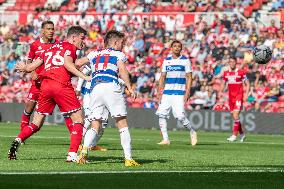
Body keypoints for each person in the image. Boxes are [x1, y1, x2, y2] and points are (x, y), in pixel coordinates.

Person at [8, 26, 90, 162]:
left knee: (36, 123)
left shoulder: (50, 47)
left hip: (45, 86)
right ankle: (72, 155)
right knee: (79, 119)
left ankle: (18, 139)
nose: (84, 41)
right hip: (61, 85)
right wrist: (85, 77)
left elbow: (30, 68)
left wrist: (24, 67)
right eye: (82, 38)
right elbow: (68, 65)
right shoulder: (70, 46)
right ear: (73, 37)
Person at [75, 30, 140, 167]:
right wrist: (129, 87)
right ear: (115, 42)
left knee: (95, 124)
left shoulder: (94, 53)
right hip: (110, 86)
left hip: (95, 89)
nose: (123, 46)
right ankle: (128, 159)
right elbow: (122, 70)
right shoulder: (118, 54)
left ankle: (83, 153)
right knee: (121, 123)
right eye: (122, 43)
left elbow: (77, 63)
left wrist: (81, 76)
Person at [20, 21, 73, 135]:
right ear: (42, 30)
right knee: (29, 107)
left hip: (52, 81)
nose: (51, 31)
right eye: (48, 29)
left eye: (52, 29)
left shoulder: (58, 45)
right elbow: (29, 60)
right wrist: (32, 72)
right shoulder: (35, 45)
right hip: (37, 81)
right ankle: (22, 132)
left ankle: (74, 135)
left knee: (64, 109)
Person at [156, 40, 197, 146]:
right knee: (161, 114)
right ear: (171, 48)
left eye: (179, 46)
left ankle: (192, 131)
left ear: (181, 48)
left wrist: (187, 91)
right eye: (175, 46)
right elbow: (162, 77)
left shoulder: (185, 60)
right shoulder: (166, 60)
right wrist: (160, 92)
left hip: (179, 93)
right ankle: (166, 139)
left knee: (180, 116)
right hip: (167, 93)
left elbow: (189, 77)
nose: (177, 48)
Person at [75, 63, 108, 152]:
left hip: (103, 94)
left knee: (104, 122)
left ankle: (93, 145)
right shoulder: (95, 59)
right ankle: (76, 144)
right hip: (89, 93)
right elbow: (83, 74)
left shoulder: (112, 60)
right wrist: (78, 88)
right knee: (89, 119)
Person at [219, 57, 250, 142]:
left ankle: (234, 135)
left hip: (238, 96)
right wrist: (220, 92)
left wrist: (246, 94)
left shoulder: (241, 72)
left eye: (233, 62)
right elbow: (223, 83)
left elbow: (247, 84)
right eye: (230, 62)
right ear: (229, 63)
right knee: (235, 117)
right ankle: (242, 134)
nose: (232, 63)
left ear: (236, 63)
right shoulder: (226, 73)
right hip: (230, 98)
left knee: (236, 115)